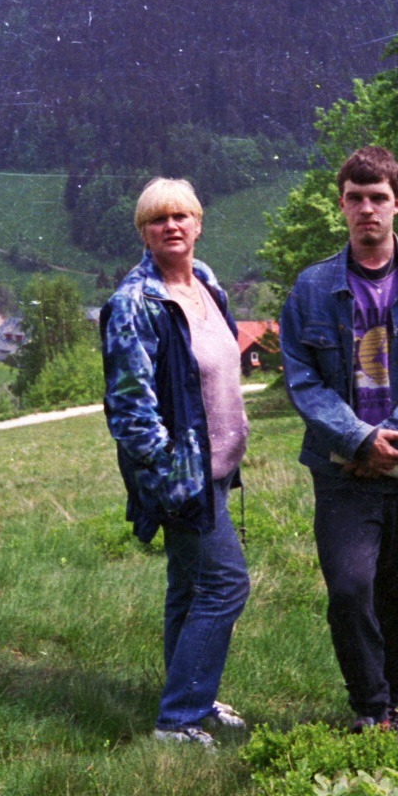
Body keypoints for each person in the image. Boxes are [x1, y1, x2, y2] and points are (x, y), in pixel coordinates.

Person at [278, 146, 398, 735]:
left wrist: (391, 441)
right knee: (350, 586)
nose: (367, 209)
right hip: (343, 471)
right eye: (355, 198)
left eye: (378, 198)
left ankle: (386, 712)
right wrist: (359, 441)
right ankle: (369, 704)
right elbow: (301, 378)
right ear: (341, 205)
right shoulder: (310, 290)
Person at [100, 177, 251, 747]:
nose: (172, 226)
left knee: (189, 588)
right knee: (225, 585)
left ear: (198, 223)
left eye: (182, 216)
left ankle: (192, 698)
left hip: (215, 468)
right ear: (143, 231)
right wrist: (168, 479)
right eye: (158, 219)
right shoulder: (135, 304)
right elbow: (130, 409)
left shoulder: (207, 284)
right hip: (183, 477)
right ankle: (179, 718)